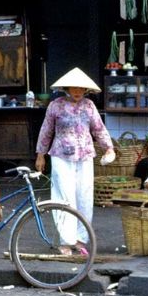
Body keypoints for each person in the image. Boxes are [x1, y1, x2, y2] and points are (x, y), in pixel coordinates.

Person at [35, 68, 115, 256]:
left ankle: (80, 239)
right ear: (67, 88)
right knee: (64, 197)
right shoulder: (56, 106)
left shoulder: (89, 106)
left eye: (81, 88)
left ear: (86, 90)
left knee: (84, 197)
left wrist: (109, 147)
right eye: (74, 88)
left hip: (85, 155)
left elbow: (98, 129)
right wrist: (40, 154)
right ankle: (65, 240)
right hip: (61, 155)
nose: (77, 91)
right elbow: (46, 130)